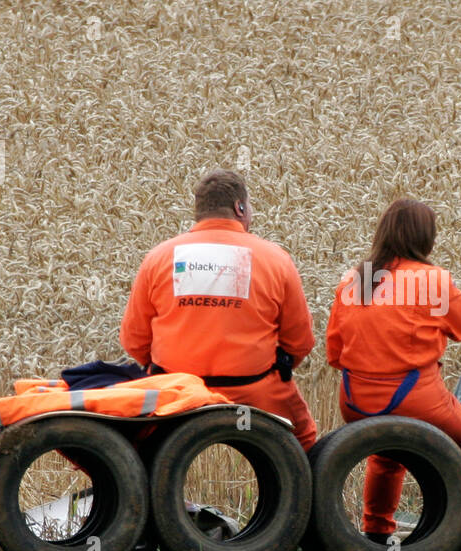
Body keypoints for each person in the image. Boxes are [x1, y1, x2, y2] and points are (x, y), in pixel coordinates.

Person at [120, 169, 318, 449]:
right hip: (255, 392)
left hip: (175, 394)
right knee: (303, 440)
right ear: (239, 207)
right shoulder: (275, 258)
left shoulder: (159, 257)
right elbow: (300, 341)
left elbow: (134, 340)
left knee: (143, 450)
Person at [325, 198, 461, 541]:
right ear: (425, 238)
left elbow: (334, 353)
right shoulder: (433, 281)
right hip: (416, 399)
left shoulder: (354, 280)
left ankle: (377, 533)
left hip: (355, 402)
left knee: (387, 452)